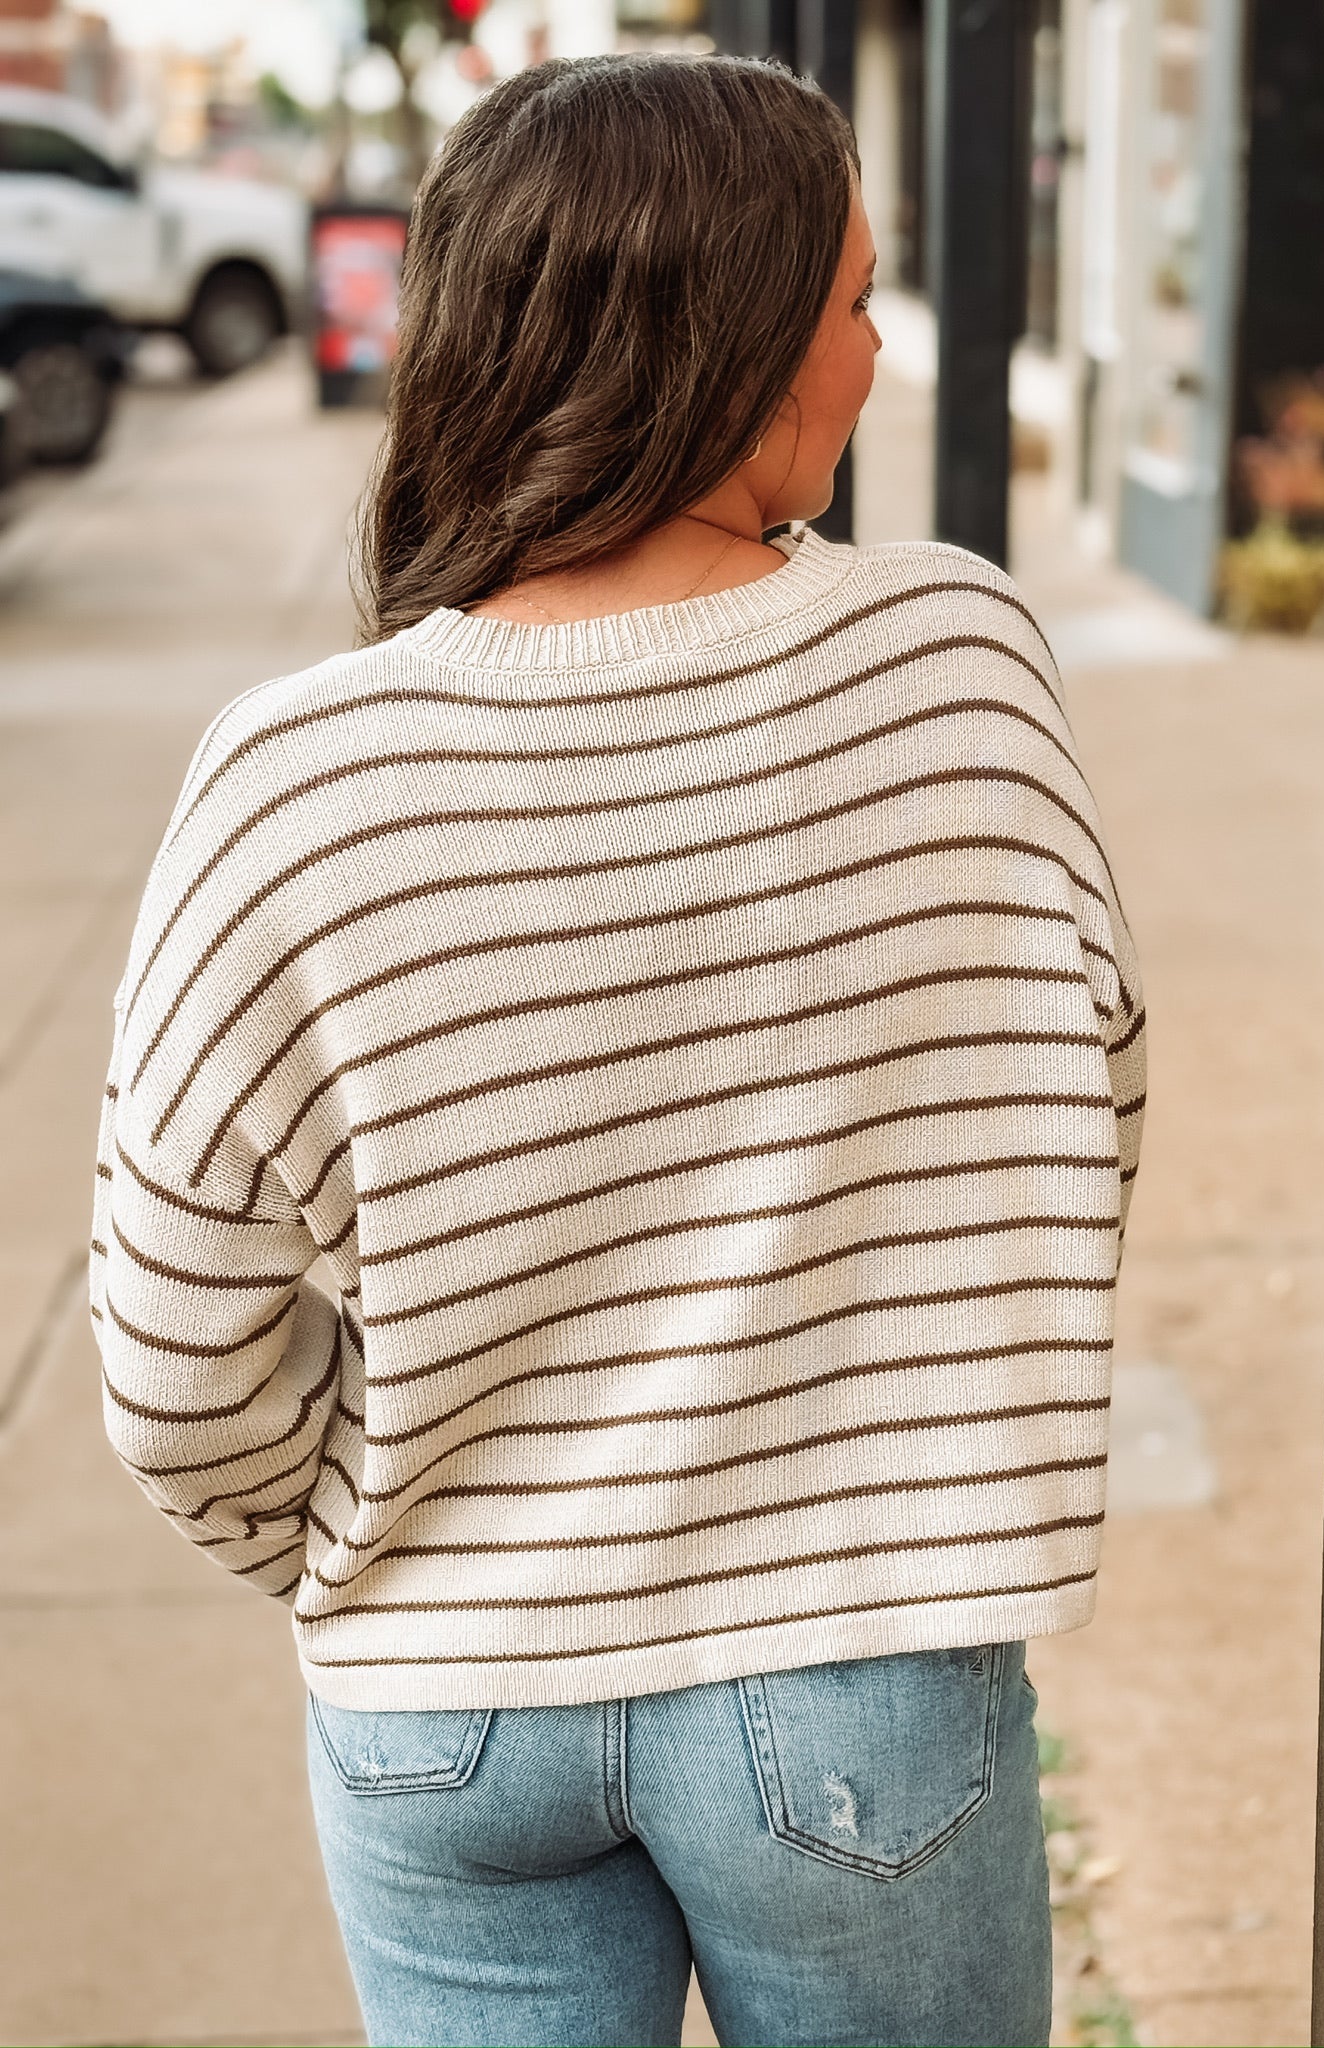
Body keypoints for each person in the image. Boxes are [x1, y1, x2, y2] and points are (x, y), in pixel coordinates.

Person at [87, 51, 1145, 2048]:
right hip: (867, 1682)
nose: (868, 352)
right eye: (849, 302)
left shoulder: (290, 785)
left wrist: (375, 1533)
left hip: (446, 1696)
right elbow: (1079, 1125)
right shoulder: (957, 669)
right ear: (728, 345)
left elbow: (175, 1369)